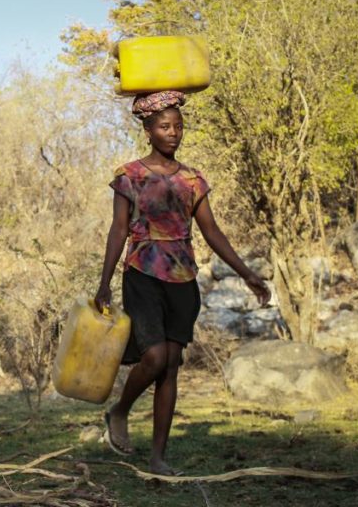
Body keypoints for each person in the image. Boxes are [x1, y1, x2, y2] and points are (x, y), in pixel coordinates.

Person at [94, 90, 271, 476]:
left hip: (183, 279)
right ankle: (120, 411)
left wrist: (247, 273)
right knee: (154, 357)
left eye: (178, 126)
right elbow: (118, 229)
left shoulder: (192, 180)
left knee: (171, 366)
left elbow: (212, 232)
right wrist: (105, 281)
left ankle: (158, 457)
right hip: (142, 272)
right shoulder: (130, 176)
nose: (173, 133)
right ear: (148, 130)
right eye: (164, 126)